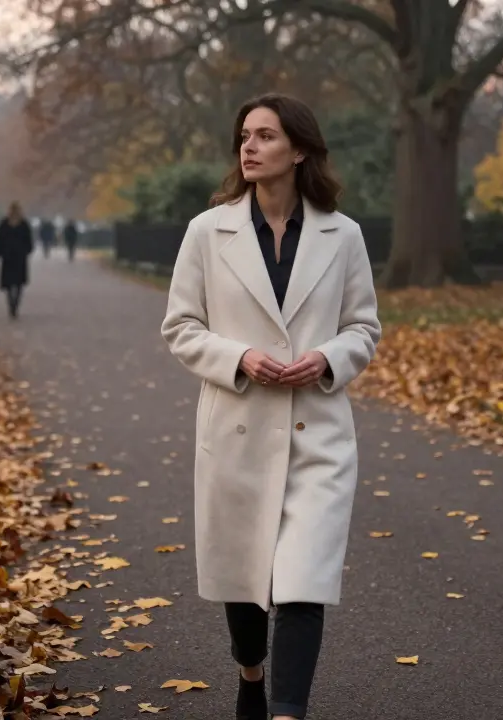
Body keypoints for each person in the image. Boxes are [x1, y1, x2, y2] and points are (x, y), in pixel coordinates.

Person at [159, 93, 381, 720]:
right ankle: (250, 678)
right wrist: (240, 358)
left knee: (304, 583)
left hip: (320, 434)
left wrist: (328, 358)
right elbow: (180, 327)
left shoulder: (344, 236)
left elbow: (364, 327)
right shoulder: (208, 231)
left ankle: (286, 711)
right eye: (244, 137)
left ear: (299, 149)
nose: (249, 147)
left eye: (265, 136)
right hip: (237, 429)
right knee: (245, 582)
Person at [0, 201, 34, 317]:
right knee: (19, 283)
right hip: (20, 257)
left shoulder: (4, 223)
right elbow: (29, 241)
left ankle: (11, 302)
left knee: (9, 283)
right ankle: (15, 303)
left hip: (7, 257)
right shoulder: (24, 224)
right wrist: (27, 251)